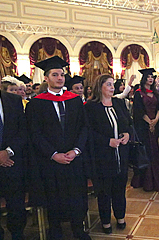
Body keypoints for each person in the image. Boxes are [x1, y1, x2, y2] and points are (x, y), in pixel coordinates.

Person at [25, 56, 90, 240]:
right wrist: (53, 154)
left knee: (77, 196)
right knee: (53, 197)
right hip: (50, 161)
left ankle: (78, 228)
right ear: (46, 78)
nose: (60, 78)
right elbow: (34, 134)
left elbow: (84, 127)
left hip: (74, 159)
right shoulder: (36, 104)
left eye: (62, 74)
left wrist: (76, 150)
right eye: (55, 74)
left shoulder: (75, 100)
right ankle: (55, 230)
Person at [85, 74, 131, 234]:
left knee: (120, 188)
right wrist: (107, 141)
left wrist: (127, 134)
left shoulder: (118, 103)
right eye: (109, 85)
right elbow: (89, 132)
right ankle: (105, 221)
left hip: (121, 155)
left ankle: (120, 217)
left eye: (113, 85)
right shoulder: (91, 107)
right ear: (100, 87)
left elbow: (128, 123)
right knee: (105, 191)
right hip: (102, 157)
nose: (112, 87)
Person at [0, 63, 27, 240]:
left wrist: (8, 152)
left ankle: (17, 234)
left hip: (12, 164)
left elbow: (23, 130)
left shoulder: (13, 100)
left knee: (17, 207)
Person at [131, 68, 159, 191]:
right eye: (148, 77)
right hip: (144, 126)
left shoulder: (156, 93)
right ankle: (147, 181)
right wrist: (149, 122)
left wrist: (155, 121)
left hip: (156, 125)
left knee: (157, 151)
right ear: (144, 79)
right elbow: (138, 111)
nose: (150, 79)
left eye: (152, 77)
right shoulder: (138, 93)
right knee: (147, 151)